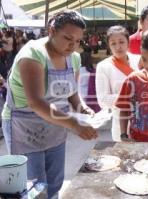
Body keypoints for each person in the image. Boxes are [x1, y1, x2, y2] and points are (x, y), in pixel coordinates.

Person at [1, 10, 98, 198]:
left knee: (55, 181)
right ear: (52, 31)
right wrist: (74, 124)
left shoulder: (74, 58)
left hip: (55, 125)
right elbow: (36, 103)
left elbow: (72, 93)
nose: (73, 45)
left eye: (78, 41)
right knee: (34, 186)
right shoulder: (33, 55)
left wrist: (83, 109)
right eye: (68, 38)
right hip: (25, 127)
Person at [95, 26, 140, 141]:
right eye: (113, 43)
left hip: (145, 121)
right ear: (108, 46)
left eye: (121, 42)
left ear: (128, 42)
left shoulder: (140, 60)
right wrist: (131, 98)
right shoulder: (103, 66)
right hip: (120, 125)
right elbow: (103, 100)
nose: (118, 47)